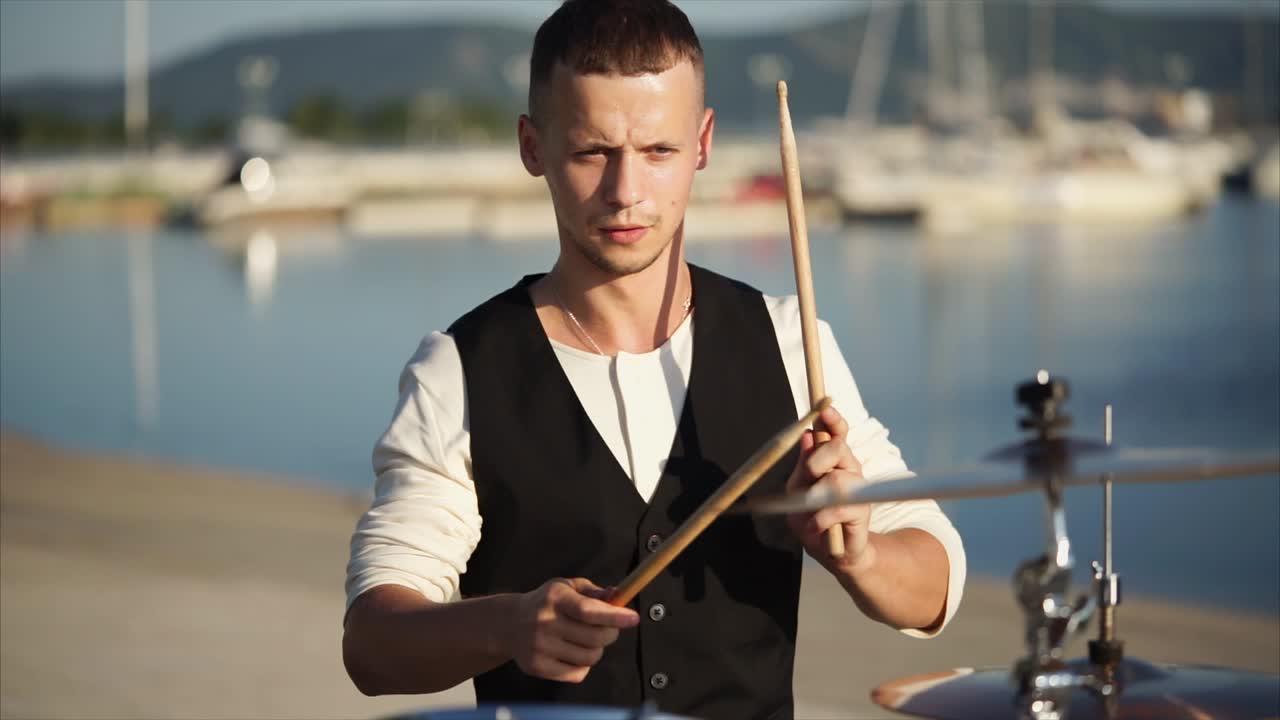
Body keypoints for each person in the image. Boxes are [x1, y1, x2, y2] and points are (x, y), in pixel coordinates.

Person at [342, 1, 965, 718]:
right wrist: (508, 625)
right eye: (592, 152)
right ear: (532, 147)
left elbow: (936, 581)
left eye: (659, 151)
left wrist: (861, 557)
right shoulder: (460, 369)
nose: (626, 192)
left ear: (703, 143)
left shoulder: (790, 342)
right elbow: (372, 643)